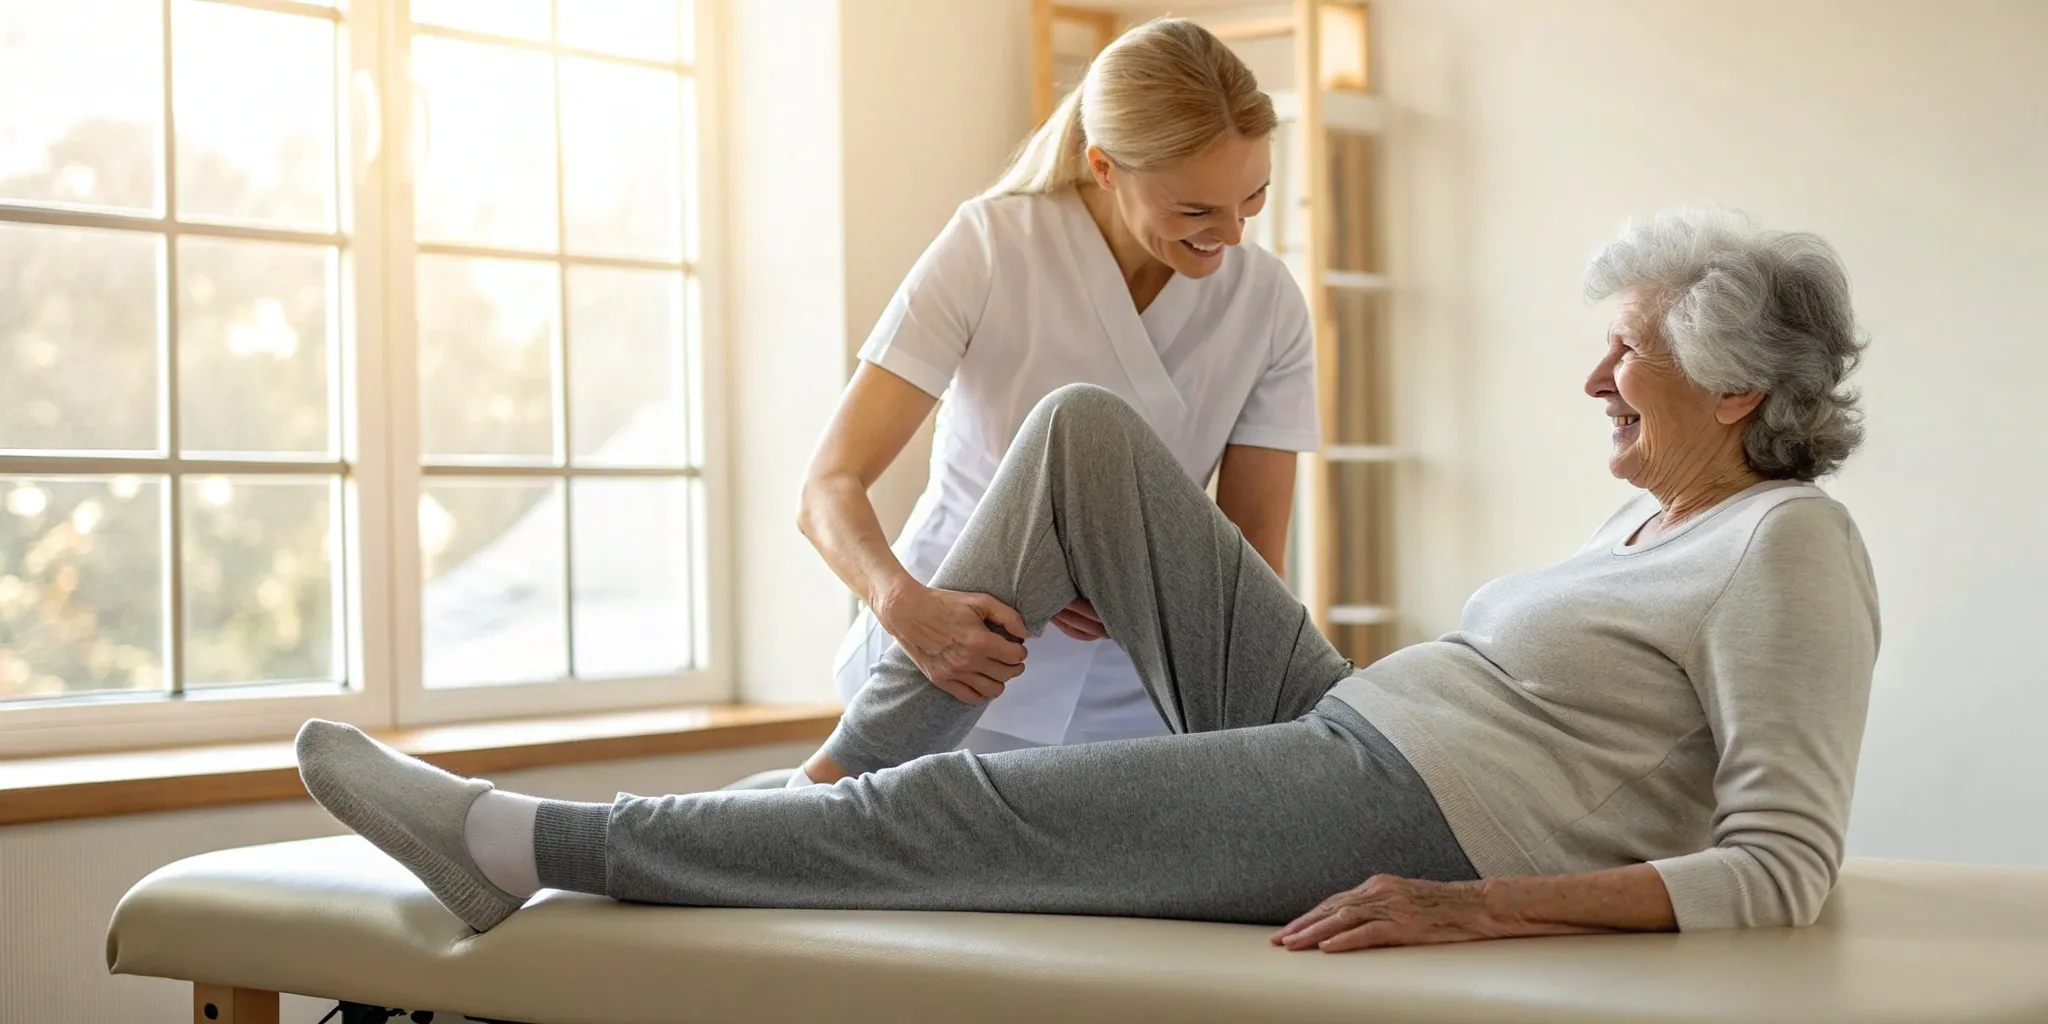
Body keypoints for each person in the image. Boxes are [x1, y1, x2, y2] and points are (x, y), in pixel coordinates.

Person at [296, 208, 1879, 950]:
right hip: (1361, 724)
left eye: (1630, 353)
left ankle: (528, 842)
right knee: (1083, 437)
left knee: (979, 816)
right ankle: (847, 756)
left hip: (1419, 812)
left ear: (1737, 391)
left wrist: (1480, 904)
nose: (1598, 380)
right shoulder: (1655, 527)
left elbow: (1786, 863)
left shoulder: (1787, 547)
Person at [791, 17, 1319, 769]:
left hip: (1136, 696)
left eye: (1253, 198)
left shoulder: (1266, 303)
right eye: (1195, 211)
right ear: (1104, 168)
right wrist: (906, 607)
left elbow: (1250, 562)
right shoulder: (994, 247)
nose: (1232, 234)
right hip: (949, 657)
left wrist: (1143, 593)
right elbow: (826, 488)